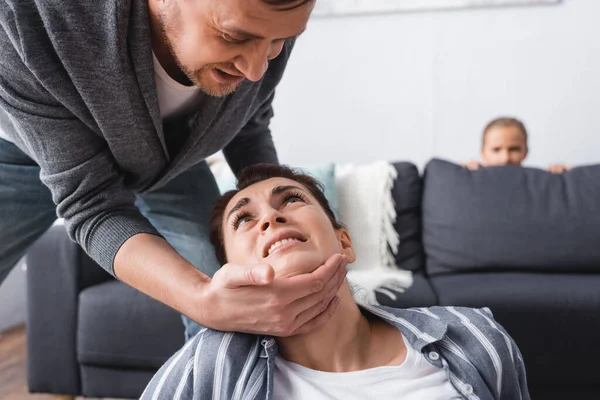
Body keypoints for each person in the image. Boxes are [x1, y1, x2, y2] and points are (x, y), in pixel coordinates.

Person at [0, 0, 347, 340]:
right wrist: (201, 301)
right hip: (19, 152)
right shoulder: (27, 18)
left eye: (277, 43)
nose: (255, 71)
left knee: (229, 291)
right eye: (233, 37)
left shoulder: (270, 18)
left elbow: (248, 119)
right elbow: (92, 204)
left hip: (169, 156)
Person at [141, 164, 530, 400]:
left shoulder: (475, 337)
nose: (269, 219)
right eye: (243, 219)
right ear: (229, 272)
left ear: (344, 241)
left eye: (291, 199)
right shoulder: (203, 367)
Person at [462, 117, 571, 174]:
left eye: (514, 149)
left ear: (526, 152)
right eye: (496, 150)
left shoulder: (541, 184)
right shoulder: (467, 179)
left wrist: (568, 176)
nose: (505, 159)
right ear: (483, 152)